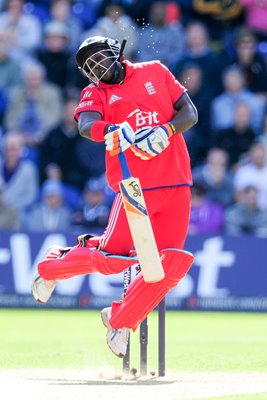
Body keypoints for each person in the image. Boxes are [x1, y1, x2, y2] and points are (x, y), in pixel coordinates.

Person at [31, 35, 198, 359]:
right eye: (89, 67)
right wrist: (110, 131)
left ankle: (120, 320)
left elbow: (188, 113)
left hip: (176, 181)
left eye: (99, 60)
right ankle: (52, 267)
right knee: (114, 259)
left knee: (168, 265)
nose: (97, 70)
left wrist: (166, 131)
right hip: (134, 187)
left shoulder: (155, 71)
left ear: (115, 53)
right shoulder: (96, 92)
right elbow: (85, 124)